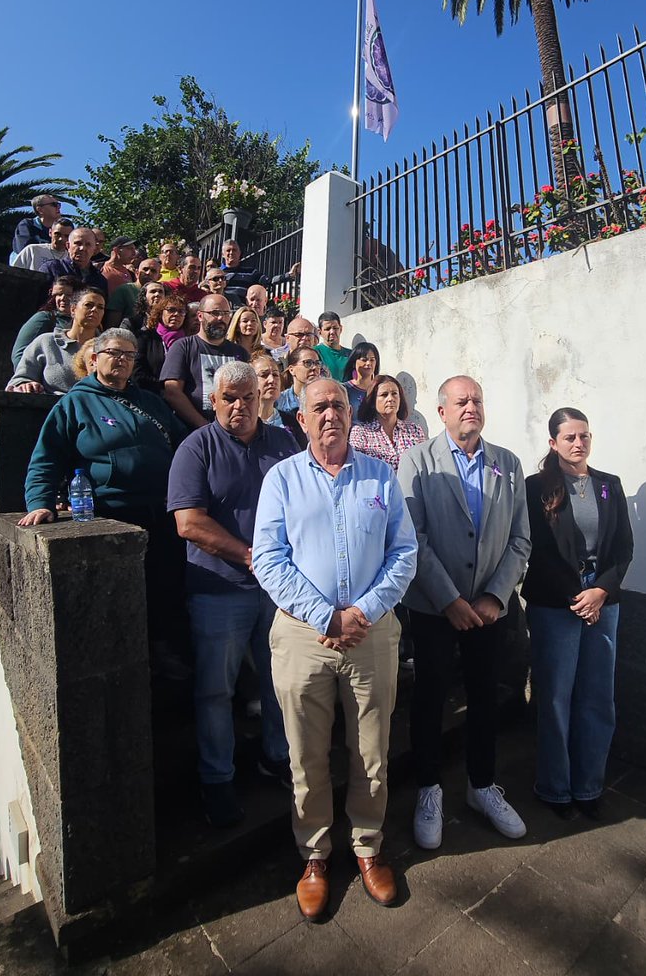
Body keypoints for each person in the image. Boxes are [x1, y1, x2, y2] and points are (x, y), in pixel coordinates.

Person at [252, 379, 418, 919]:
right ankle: (315, 856)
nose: (330, 415)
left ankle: (368, 849)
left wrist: (362, 612)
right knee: (306, 754)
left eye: (339, 406)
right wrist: (326, 615)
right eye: (318, 407)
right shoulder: (281, 479)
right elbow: (270, 559)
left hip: (371, 635)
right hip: (304, 636)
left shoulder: (381, 476)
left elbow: (404, 552)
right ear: (300, 419)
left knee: (373, 752)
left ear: (353, 415)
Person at [397, 376, 531, 850]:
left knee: (483, 694)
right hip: (436, 607)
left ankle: (481, 785)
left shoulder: (507, 464)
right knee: (431, 695)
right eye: (461, 401)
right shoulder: (416, 461)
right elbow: (412, 536)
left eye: (477, 399)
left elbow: (520, 539)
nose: (471, 406)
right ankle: (429, 788)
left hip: (489, 610)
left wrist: (495, 596)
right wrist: (448, 600)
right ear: (442, 411)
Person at [168, 362, 298, 827]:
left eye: (247, 396)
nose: (239, 405)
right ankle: (217, 779)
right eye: (230, 398)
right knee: (216, 691)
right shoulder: (196, 447)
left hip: (279, 589)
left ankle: (276, 757)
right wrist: (252, 556)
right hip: (219, 589)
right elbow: (189, 523)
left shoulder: (283, 442)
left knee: (279, 680)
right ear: (214, 400)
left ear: (261, 396)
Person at [17, 328, 188, 667]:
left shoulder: (150, 402)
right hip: (114, 511)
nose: (123, 360)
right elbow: (47, 457)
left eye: (129, 355)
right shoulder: (75, 403)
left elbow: (185, 447)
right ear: (94, 358)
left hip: (163, 509)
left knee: (167, 586)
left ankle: (165, 652)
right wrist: (40, 501)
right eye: (114, 352)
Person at [523, 408, 633, 820]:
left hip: (603, 604)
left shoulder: (609, 486)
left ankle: (588, 785)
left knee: (597, 697)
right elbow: (536, 550)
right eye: (569, 437)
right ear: (553, 443)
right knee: (555, 698)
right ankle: (555, 788)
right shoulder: (538, 487)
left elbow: (624, 548)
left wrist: (601, 591)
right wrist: (578, 596)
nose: (578, 443)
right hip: (556, 604)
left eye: (584, 435)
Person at [160, 294, 248, 428]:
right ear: (200, 316)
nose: (221, 318)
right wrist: (204, 425)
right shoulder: (183, 347)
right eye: (215, 313)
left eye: (226, 313)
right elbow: (172, 392)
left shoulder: (239, 353)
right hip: (193, 432)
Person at [7, 287, 106, 395]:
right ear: (73, 309)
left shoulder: (108, 349)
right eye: (89, 305)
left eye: (100, 307)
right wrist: (26, 384)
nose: (95, 310)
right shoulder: (45, 342)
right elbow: (20, 379)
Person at [350, 375, 426, 470]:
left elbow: (425, 463)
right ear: (373, 402)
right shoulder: (360, 433)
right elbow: (357, 468)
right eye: (384, 395)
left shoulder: (414, 430)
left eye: (394, 394)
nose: (390, 399)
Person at [11, 275, 80, 367]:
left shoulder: (87, 322)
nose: (62, 298)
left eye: (68, 295)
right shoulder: (45, 318)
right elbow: (19, 353)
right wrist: (27, 377)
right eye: (59, 294)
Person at [133, 294, 188, 394]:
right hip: (150, 395)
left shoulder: (189, 342)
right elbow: (137, 371)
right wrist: (163, 388)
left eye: (181, 311)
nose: (176, 314)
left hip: (183, 397)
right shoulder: (145, 337)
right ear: (160, 312)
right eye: (171, 310)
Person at [253, 352, 306, 448]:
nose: (271, 380)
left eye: (275, 374)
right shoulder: (244, 422)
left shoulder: (292, 421)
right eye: (264, 375)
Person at [42, 227, 109, 300]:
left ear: (94, 248)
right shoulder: (52, 268)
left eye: (88, 244)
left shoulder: (99, 279)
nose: (82, 248)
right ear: (68, 246)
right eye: (78, 243)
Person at [106, 256, 162, 326]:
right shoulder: (124, 290)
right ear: (137, 272)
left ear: (159, 277)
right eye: (145, 269)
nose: (148, 273)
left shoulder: (160, 294)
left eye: (153, 271)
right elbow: (112, 323)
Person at [277, 346, 322, 414]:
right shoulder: (279, 402)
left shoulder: (327, 398)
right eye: (308, 363)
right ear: (292, 370)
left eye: (317, 363)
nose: (314, 367)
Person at [342, 342, 380, 421]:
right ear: (354, 363)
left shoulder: (380, 389)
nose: (368, 363)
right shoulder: (344, 389)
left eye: (372, 360)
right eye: (364, 360)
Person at [314, 311, 352, 381]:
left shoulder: (351, 354)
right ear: (320, 332)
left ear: (340, 329)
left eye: (335, 328)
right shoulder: (315, 353)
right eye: (327, 329)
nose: (332, 332)